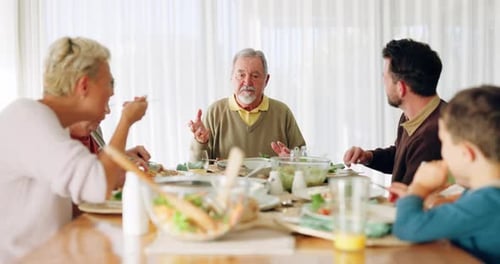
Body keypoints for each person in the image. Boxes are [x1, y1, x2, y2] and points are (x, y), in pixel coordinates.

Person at [0, 36, 148, 262]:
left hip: (54, 251)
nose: (111, 93)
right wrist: (126, 121)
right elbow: (96, 185)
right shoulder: (27, 118)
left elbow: (76, 198)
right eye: (108, 84)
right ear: (84, 86)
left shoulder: (52, 125)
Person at [389, 85, 500, 263]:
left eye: (444, 142)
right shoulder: (485, 195)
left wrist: (419, 187)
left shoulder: (485, 203)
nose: (442, 151)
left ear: (466, 153)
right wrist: (416, 199)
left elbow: (406, 229)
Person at [343, 39, 446, 185]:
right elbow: (401, 158)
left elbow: (409, 200)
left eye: (385, 78)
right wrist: (369, 157)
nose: (383, 83)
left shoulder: (431, 136)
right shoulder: (414, 116)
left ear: (401, 88)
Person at [188, 48, 305, 159]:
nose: (247, 82)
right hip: (228, 181)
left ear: (266, 80)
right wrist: (200, 142)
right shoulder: (215, 112)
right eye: (241, 75)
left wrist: (291, 159)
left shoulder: (282, 112)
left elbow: (303, 159)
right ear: (231, 77)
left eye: (255, 76)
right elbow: (197, 167)